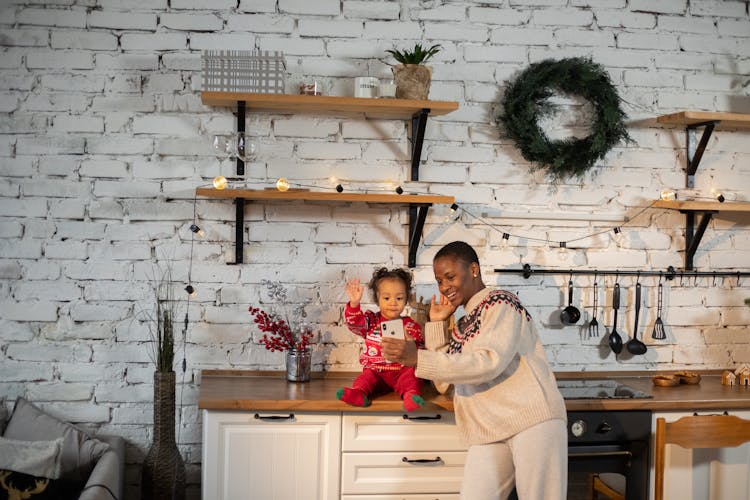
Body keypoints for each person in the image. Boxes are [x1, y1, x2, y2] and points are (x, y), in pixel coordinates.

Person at [381, 241, 567, 500]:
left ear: (474, 269)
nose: (445, 286)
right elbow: (444, 383)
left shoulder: (500, 302)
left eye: (450, 276)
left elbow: (488, 363)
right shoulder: (462, 324)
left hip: (531, 421)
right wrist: (436, 324)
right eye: (439, 281)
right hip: (489, 427)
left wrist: (417, 358)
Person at [337, 267, 426, 412]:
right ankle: (359, 393)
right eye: (386, 298)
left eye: (399, 298)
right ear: (377, 298)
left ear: (406, 299)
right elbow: (355, 324)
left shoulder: (411, 325)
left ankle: (411, 396)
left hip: (401, 371)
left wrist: (412, 345)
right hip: (376, 371)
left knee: (411, 377)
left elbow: (420, 353)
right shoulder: (371, 321)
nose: (393, 303)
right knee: (365, 377)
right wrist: (354, 305)